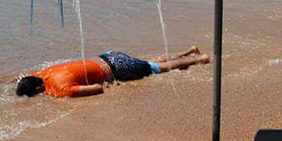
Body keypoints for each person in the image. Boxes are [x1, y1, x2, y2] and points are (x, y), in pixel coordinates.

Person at [16, 45, 210, 98]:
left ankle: (198, 59)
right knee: (148, 63)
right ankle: (189, 51)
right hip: (108, 55)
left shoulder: (60, 88)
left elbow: (97, 89)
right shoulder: (44, 71)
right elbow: (18, 77)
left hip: (117, 68)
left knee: (155, 68)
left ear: (40, 88)